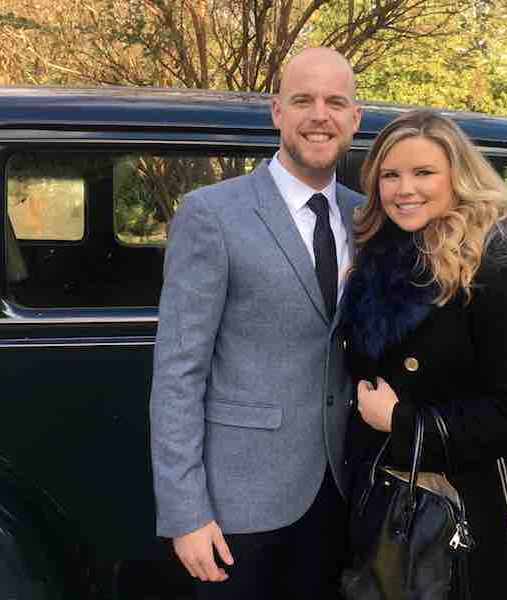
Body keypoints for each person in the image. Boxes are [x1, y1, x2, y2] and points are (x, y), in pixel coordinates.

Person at [149, 47, 363, 600]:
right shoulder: (212, 213)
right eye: (303, 100)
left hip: (340, 492)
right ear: (277, 112)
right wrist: (185, 512)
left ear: (354, 118)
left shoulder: (368, 216)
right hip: (239, 504)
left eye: (335, 101)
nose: (320, 115)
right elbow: (178, 371)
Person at [341, 110, 507, 598]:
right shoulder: (378, 261)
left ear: (457, 178)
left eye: (423, 173)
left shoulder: (501, 269)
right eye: (390, 175)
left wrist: (402, 421)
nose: (404, 189)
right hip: (396, 501)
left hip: (478, 511)